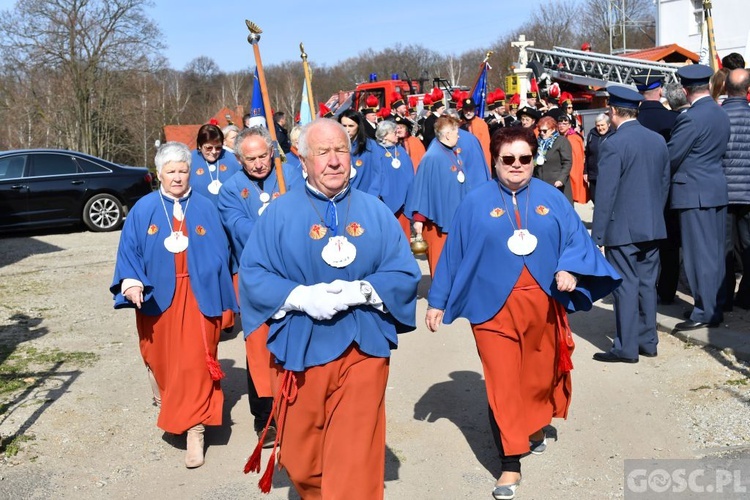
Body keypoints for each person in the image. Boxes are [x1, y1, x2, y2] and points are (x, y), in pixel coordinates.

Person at [426, 127, 620, 500]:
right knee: (502, 381)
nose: (517, 166)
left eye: (525, 159)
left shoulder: (552, 197)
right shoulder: (474, 202)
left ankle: (533, 424)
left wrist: (569, 269)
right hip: (491, 307)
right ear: (495, 161)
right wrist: (437, 300)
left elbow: (576, 240)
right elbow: (453, 254)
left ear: (534, 158)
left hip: (543, 303)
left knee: (537, 374)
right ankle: (509, 461)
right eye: (508, 159)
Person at [239, 118, 420, 498]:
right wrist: (302, 298)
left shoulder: (375, 211)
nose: (334, 161)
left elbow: (404, 271)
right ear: (303, 161)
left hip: (363, 345)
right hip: (301, 348)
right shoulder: (277, 214)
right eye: (322, 152)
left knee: (355, 454)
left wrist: (364, 290)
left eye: (341, 150)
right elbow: (253, 275)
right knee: (301, 459)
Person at [110, 142, 238, 469]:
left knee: (196, 362)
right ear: (159, 175)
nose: (178, 177)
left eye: (183, 170)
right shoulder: (143, 209)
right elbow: (130, 253)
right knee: (162, 359)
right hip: (158, 297)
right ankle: (165, 391)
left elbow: (224, 254)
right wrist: (131, 282)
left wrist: (226, 298)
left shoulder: (207, 207)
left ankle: (195, 429)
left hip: (199, 297)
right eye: (171, 172)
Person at [217, 126, 302, 446]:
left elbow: (306, 214)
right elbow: (239, 228)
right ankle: (266, 419)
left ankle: (298, 410)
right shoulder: (230, 189)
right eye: (250, 158)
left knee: (296, 339)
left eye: (263, 156)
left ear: (272, 152)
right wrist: (278, 230)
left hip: (294, 273)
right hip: (254, 276)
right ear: (239, 159)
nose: (257, 164)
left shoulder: (290, 175)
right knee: (259, 347)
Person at [591, 86, 670, 362]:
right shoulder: (657, 140)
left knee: (625, 286)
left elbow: (606, 193)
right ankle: (648, 340)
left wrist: (597, 235)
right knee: (647, 284)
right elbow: (664, 183)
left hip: (622, 228)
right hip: (652, 224)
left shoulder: (613, 143)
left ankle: (625, 348)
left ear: (613, 111)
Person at [668, 64, 730, 330]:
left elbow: (672, 156)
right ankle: (713, 305)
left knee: (698, 256)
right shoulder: (719, 112)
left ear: (685, 90)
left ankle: (705, 310)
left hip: (694, 193)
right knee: (714, 254)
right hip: (714, 188)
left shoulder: (691, 118)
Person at [406, 115, 491, 276]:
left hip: (454, 216)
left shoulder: (451, 152)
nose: (459, 136)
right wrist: (419, 219)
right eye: (456, 132)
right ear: (447, 135)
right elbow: (423, 189)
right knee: (441, 263)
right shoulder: (432, 157)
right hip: (437, 221)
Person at [632, 74, 680, 306]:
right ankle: (667, 291)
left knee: (640, 245)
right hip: (667, 189)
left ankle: (642, 290)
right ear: (660, 91)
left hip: (637, 190)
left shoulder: (632, 120)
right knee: (669, 244)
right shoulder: (674, 118)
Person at [721, 68, 750, 310]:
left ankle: (724, 297)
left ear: (725, 89)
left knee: (725, 249)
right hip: (748, 192)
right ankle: (747, 295)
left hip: (725, 191)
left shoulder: (719, 117)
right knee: (748, 247)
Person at [373, 119, 415, 238]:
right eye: (394, 133)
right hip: (385, 203)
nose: (397, 135)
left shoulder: (400, 150)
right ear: (385, 135)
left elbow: (409, 173)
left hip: (404, 203)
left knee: (404, 235)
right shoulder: (376, 152)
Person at [190, 123, 242, 204]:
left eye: (218, 148)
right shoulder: (189, 160)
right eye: (209, 148)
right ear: (200, 145)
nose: (214, 152)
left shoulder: (232, 159)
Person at [534, 115, 573, 204]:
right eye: (540, 131)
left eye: (545, 131)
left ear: (552, 129)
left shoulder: (561, 141)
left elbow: (567, 162)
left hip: (556, 183)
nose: (542, 133)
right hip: (541, 183)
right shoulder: (537, 142)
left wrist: (561, 179)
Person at [557, 114, 588, 204]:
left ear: (569, 125)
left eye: (564, 124)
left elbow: (576, 159)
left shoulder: (572, 138)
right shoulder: (563, 136)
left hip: (571, 173)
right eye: (560, 123)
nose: (562, 126)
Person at [584, 113, 614, 203]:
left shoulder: (614, 135)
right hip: (594, 174)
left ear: (608, 124)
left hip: (608, 174)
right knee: (594, 198)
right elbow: (587, 154)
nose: (600, 128)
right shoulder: (592, 135)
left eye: (602, 125)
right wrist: (585, 171)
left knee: (607, 199)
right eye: (598, 125)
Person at [462, 97, 492, 166]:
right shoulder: (459, 124)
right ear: (463, 110)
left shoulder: (482, 124)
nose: (468, 112)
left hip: (478, 161)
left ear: (474, 110)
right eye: (466, 110)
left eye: (471, 110)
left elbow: (485, 147)